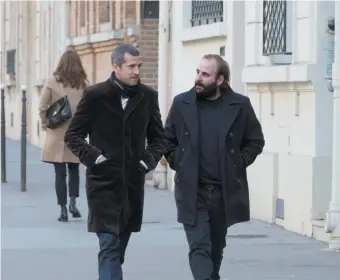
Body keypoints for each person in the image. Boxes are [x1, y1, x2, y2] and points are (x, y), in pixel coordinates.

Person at [64, 44, 165, 280]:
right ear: (116, 66)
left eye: (139, 66)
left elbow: (160, 138)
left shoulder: (148, 96)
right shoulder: (95, 95)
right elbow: (73, 135)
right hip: (103, 184)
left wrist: (146, 162)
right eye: (131, 66)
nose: (136, 71)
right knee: (108, 246)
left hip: (131, 184)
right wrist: (95, 158)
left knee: (117, 251)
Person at [164, 54, 265, 280]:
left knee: (215, 249)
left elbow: (255, 141)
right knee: (199, 246)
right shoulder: (182, 103)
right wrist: (178, 161)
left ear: (220, 80)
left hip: (223, 191)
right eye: (198, 72)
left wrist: (238, 162)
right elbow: (167, 139)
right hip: (193, 190)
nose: (198, 78)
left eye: (205, 74)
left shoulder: (239, 105)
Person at [39, 49, 90, 222]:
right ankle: (73, 203)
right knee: (74, 169)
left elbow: (42, 106)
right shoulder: (83, 83)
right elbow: (89, 108)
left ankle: (62, 210)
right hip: (76, 132)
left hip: (57, 131)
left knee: (59, 172)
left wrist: (44, 122)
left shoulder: (52, 81)